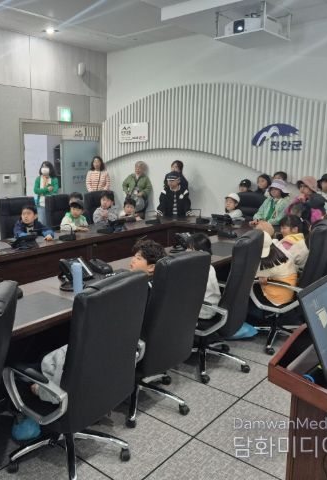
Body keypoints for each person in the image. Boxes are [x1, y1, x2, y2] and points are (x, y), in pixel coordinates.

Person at [31, 239, 165, 405]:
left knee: (49, 356)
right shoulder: (155, 285)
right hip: (132, 346)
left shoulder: (138, 292)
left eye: (138, 258)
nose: (132, 260)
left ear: (151, 267)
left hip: (113, 346)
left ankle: (49, 393)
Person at [255, 231, 298, 307]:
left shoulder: (267, 265)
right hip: (288, 292)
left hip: (277, 298)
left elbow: (260, 280)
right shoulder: (281, 251)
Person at [187, 233, 221, 320]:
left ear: (200, 253)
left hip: (203, 311)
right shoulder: (209, 266)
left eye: (190, 248)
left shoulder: (196, 271)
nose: (186, 251)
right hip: (212, 307)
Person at [33, 161, 59, 225]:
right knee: (42, 223)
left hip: (51, 204)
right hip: (41, 204)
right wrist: (47, 189)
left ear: (50, 168)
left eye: (46, 167)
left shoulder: (54, 179)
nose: (44, 168)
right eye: (43, 167)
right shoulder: (38, 179)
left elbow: (55, 191)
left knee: (50, 223)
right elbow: (36, 190)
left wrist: (42, 192)